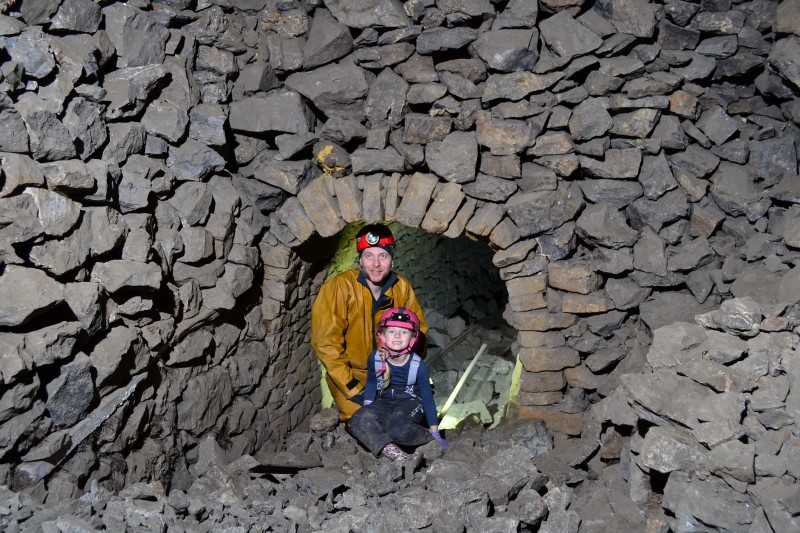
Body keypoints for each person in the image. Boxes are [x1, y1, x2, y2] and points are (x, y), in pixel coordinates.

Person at [311, 223, 428, 422]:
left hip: (392, 373)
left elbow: (419, 333)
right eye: (369, 256)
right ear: (360, 260)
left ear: (392, 260)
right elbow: (326, 344)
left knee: (409, 419)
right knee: (364, 421)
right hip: (351, 374)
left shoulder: (401, 288)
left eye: (382, 256)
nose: (375, 264)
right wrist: (353, 387)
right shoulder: (339, 288)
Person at [348, 307, 448, 460]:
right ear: (382, 334)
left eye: (404, 332)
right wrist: (369, 411)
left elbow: (427, 399)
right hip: (385, 401)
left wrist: (435, 433)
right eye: (391, 331)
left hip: (410, 401)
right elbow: (371, 384)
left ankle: (426, 437)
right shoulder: (375, 358)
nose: (397, 336)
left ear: (413, 338)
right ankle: (396, 454)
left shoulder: (417, 365)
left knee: (397, 431)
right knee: (358, 419)